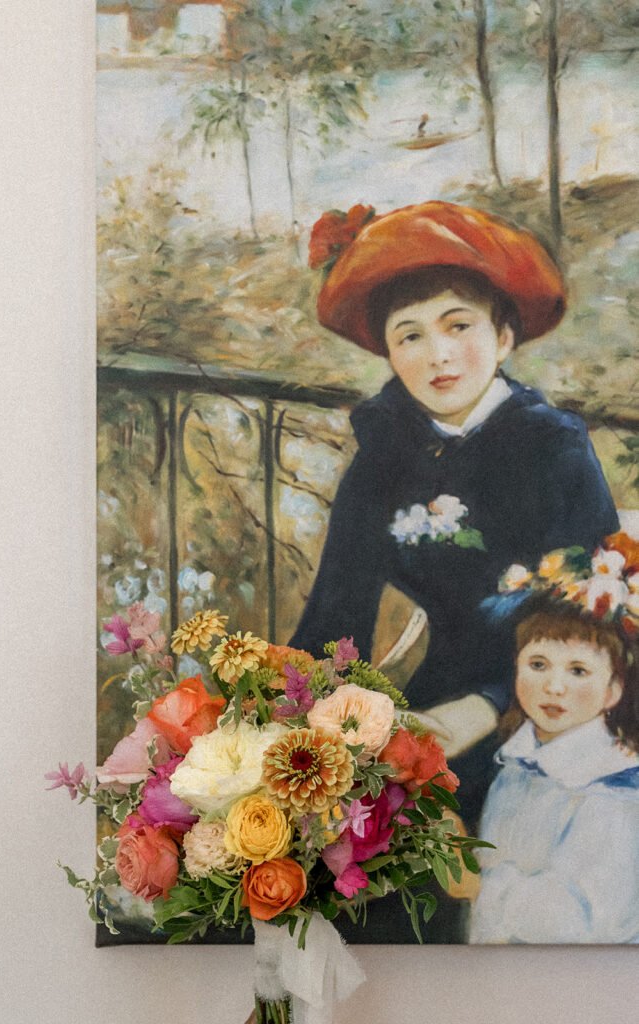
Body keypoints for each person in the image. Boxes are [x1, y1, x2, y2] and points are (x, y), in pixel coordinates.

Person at [291, 200, 619, 831]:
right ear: (389, 352)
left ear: (502, 338)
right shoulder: (384, 453)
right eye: (410, 335)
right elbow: (335, 616)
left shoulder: (553, 446)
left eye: (458, 326)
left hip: (555, 700)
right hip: (434, 707)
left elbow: (593, 617)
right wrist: (301, 712)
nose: (437, 354)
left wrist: (492, 704)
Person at [469, 535, 639, 943]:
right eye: (538, 664)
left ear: (613, 689)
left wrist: (476, 884)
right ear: (516, 667)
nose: (554, 687)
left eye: (578, 670)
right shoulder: (517, 763)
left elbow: (582, 924)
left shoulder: (613, 791)